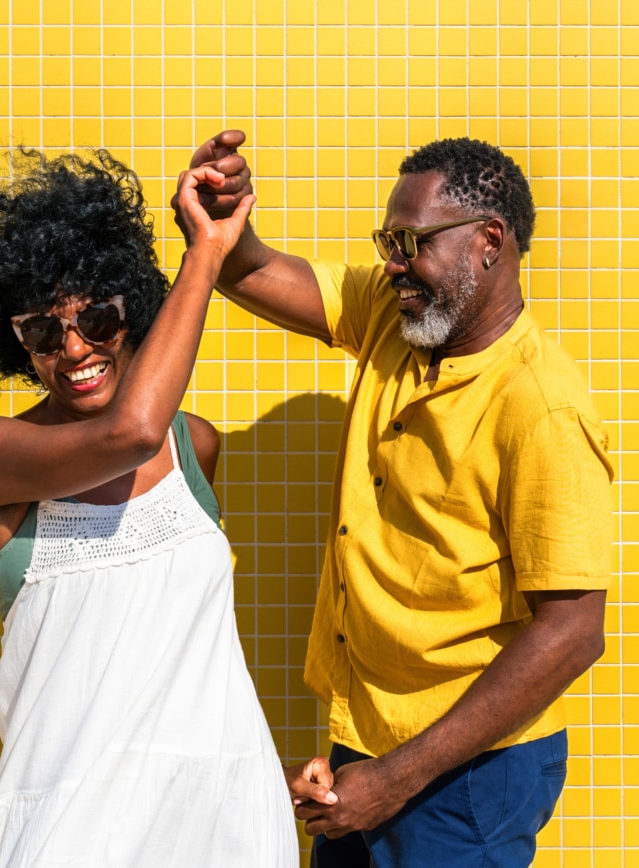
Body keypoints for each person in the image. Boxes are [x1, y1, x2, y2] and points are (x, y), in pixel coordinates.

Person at [175, 130, 615, 867]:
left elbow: (572, 633)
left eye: (411, 242)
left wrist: (396, 778)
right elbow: (247, 270)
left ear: (489, 241)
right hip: (368, 742)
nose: (393, 263)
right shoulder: (397, 317)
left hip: (466, 771)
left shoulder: (540, 407)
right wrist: (222, 216)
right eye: (388, 240)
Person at [0, 148, 297, 867]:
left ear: (134, 308)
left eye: (98, 316)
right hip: (71, 831)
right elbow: (128, 434)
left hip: (226, 825)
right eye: (42, 331)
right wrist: (206, 253)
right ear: (15, 343)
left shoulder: (195, 448)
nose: (74, 349)